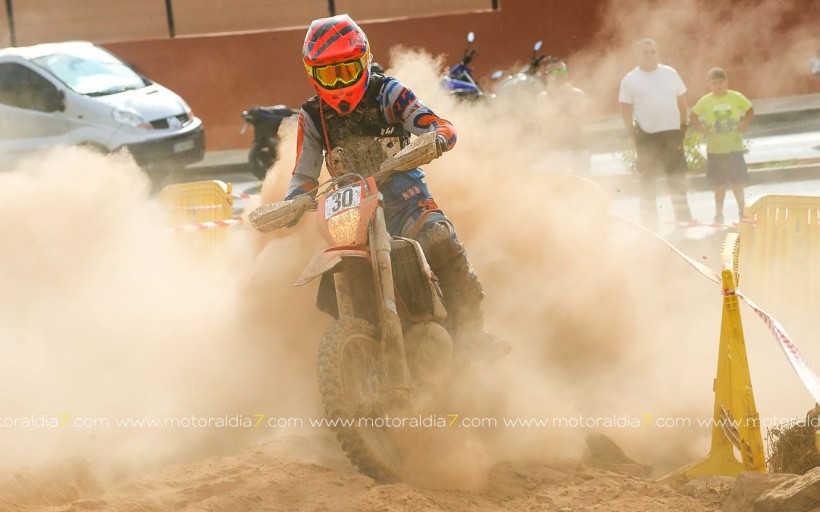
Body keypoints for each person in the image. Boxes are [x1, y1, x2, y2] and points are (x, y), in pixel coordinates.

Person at [285, 14, 509, 360]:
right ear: (312, 75)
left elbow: (430, 122)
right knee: (331, 268)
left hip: (404, 198)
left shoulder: (389, 93)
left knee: (438, 237)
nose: (340, 82)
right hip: (351, 208)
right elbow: (303, 174)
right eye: (329, 74)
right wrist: (293, 200)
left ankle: (473, 334)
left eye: (346, 70)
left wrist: (438, 135)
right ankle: (358, 347)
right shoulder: (312, 117)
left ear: (364, 61)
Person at [618, 38, 693, 226]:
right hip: (647, 134)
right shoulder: (630, 79)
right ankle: (649, 221)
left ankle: (683, 217)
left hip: (672, 133)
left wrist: (683, 126)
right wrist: (632, 132)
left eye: (653, 52)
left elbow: (682, 101)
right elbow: (624, 108)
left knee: (676, 176)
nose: (650, 56)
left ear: (657, 53)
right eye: (645, 52)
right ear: (637, 55)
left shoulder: (670, 73)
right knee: (647, 178)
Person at [690, 67, 754, 224]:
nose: (718, 86)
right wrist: (702, 129)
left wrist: (744, 124)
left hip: (734, 148)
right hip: (715, 150)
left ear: (726, 82)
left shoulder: (735, 97)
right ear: (709, 85)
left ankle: (742, 212)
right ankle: (719, 214)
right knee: (719, 184)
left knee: (736, 182)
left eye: (721, 82)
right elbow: (693, 115)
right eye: (714, 83)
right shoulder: (706, 101)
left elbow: (750, 109)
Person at [541, 57, 590, 176]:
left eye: (562, 70)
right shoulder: (544, 98)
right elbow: (547, 122)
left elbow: (581, 117)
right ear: (547, 75)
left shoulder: (577, 94)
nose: (560, 75)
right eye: (555, 72)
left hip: (577, 150)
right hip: (555, 151)